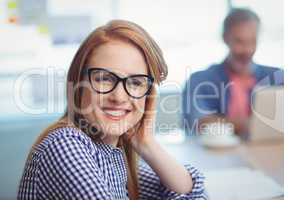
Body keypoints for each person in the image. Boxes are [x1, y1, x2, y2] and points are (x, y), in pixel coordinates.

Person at [18, 20, 208, 200]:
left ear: (148, 96)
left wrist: (147, 143)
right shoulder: (65, 144)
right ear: (78, 82)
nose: (119, 97)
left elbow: (194, 194)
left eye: (136, 82)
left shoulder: (110, 155)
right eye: (104, 78)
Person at [182, 8, 284, 137]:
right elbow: (199, 123)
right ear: (225, 39)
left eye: (252, 41)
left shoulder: (280, 78)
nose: (247, 50)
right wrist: (256, 125)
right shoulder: (199, 80)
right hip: (219, 154)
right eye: (239, 42)